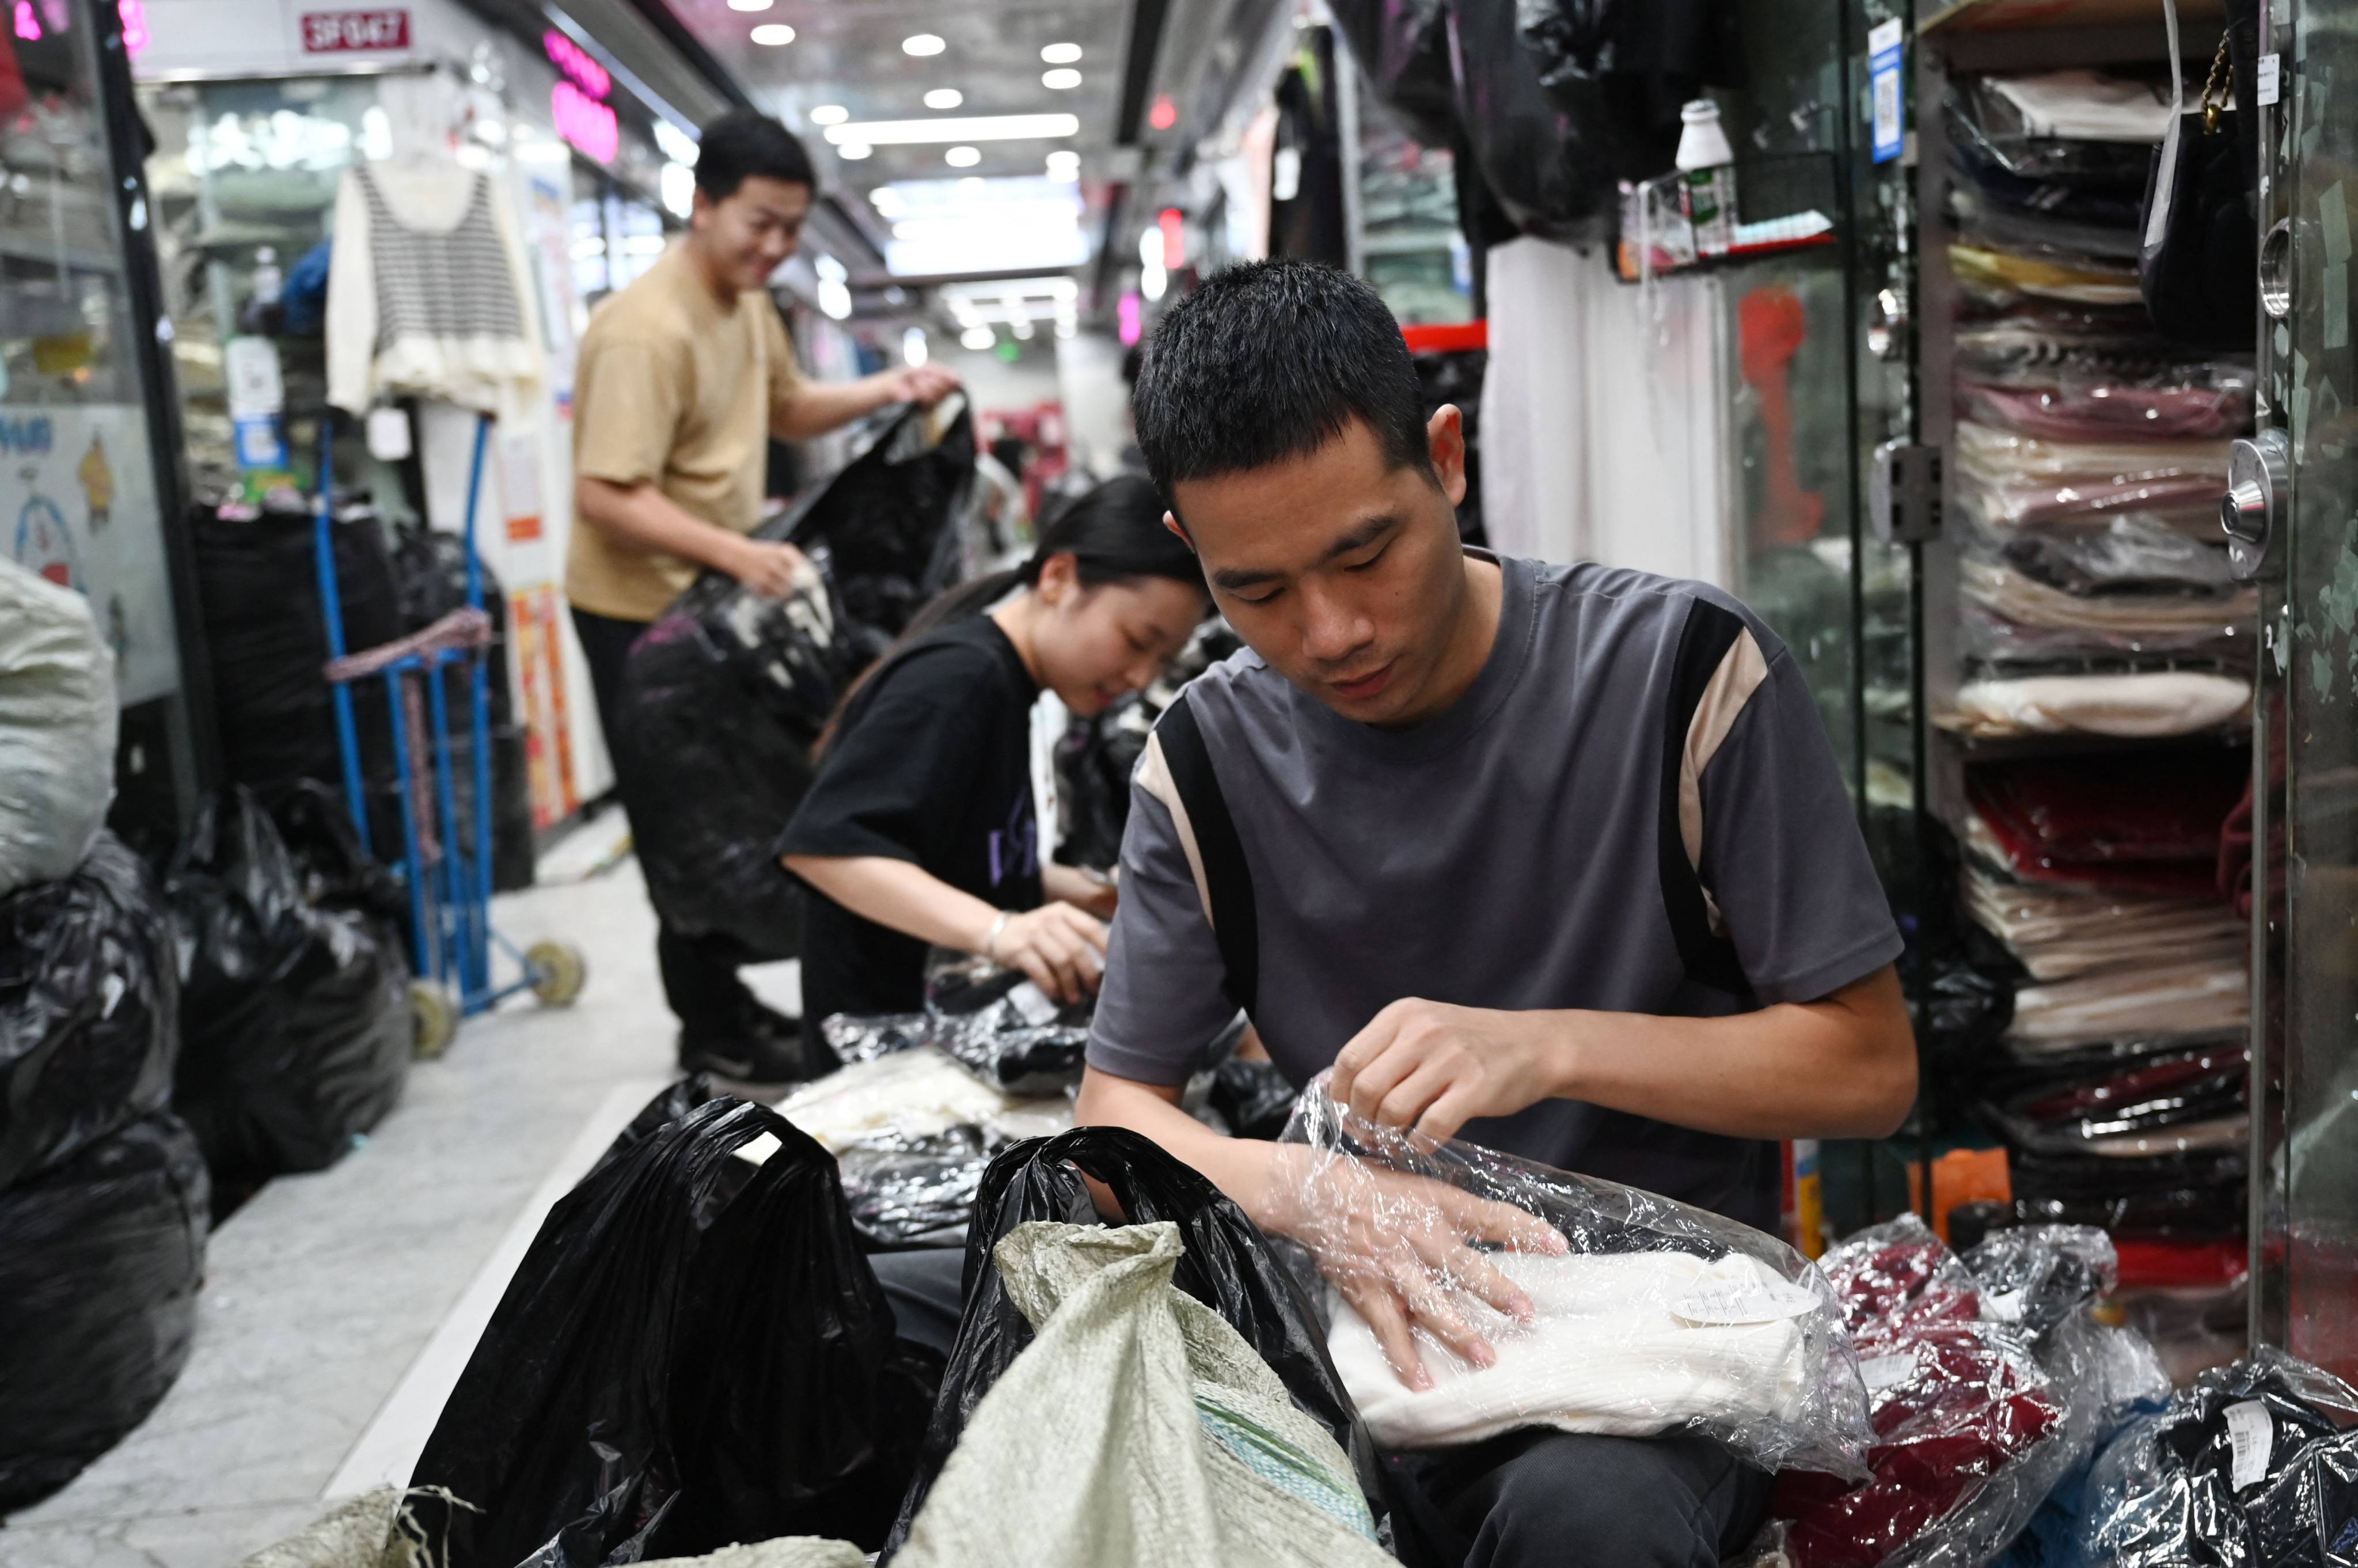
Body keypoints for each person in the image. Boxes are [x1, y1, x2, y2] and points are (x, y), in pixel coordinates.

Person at [1067, 260, 1919, 1567]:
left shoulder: (1683, 675)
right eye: (1260, 591)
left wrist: (1547, 1043)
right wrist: (1320, 1193)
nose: (1334, 629)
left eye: (1368, 552)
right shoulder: (1203, 764)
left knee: (1585, 1528)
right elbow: (1116, 1114)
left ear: (1448, 461)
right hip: (1376, 1335)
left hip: (1655, 1359)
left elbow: (1868, 1069)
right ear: (1190, 556)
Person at [564, 108, 958, 1083]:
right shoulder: (645, 332)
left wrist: (887, 391)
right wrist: (739, 558)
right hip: (635, 608)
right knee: (682, 818)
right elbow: (604, 493)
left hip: (703, 607)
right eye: (761, 224)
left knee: (732, 799)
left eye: (792, 229)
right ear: (701, 205)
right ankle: (711, 1030)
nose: (777, 248)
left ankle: (730, 1007)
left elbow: (783, 407)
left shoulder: (746, 306)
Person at [776, 474, 1206, 1055]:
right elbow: (829, 848)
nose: (1140, 679)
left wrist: (1078, 890)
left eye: (1162, 660)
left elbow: (953, 851)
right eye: (1136, 640)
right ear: (1058, 577)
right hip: (883, 1057)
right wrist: (1001, 931)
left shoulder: (1006, 683)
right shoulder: (961, 680)